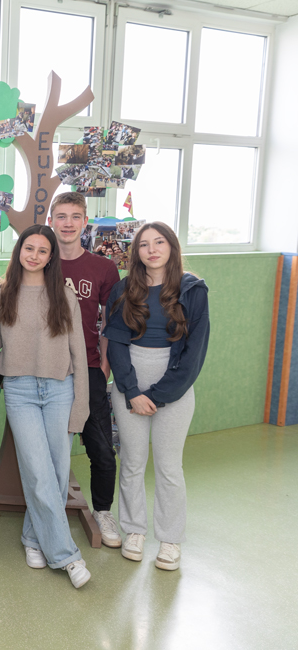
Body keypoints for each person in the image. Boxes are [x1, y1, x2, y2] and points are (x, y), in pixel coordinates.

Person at [0, 225, 92, 589]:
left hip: (61, 388)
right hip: (20, 390)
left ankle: (33, 538)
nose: (34, 255)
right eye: (28, 248)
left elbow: (79, 353)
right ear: (19, 251)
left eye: (42, 250)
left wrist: (81, 406)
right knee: (37, 470)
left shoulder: (64, 294)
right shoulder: (2, 295)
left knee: (57, 473)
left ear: (50, 257)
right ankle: (67, 556)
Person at [104, 222, 209, 571]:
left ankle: (170, 539)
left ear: (172, 247)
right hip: (130, 379)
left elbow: (194, 353)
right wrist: (132, 392)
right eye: (144, 244)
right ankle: (134, 530)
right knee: (132, 462)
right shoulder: (122, 289)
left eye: (159, 242)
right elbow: (116, 344)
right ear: (136, 252)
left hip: (175, 382)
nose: (152, 250)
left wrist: (160, 395)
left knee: (168, 466)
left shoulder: (193, 289)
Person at [47, 192, 122, 549]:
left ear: (85, 222)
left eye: (75, 216)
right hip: (48, 371)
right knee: (51, 451)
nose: (68, 223)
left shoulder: (103, 268)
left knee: (102, 450)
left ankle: (103, 511)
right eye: (61, 216)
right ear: (51, 221)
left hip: (89, 369)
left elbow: (112, 323)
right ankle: (48, 514)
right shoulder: (40, 262)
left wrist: (103, 367)